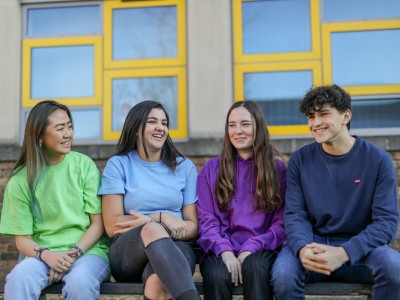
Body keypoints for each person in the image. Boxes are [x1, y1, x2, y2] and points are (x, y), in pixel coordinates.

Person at [271, 84, 400, 299]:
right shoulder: (300, 160)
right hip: (312, 245)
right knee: (283, 275)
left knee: (394, 267)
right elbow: (295, 215)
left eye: (324, 114)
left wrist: (345, 253)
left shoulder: (378, 161)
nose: (316, 123)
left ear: (346, 116)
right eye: (311, 117)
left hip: (360, 251)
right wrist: (302, 248)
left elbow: (386, 223)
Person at [0, 100, 110, 300]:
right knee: (19, 278)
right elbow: (22, 239)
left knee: (80, 283)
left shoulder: (84, 166)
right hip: (42, 254)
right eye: (60, 128)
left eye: (69, 126)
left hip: (87, 251)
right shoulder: (20, 180)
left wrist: (69, 257)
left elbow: (98, 224)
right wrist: (49, 257)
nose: (68, 134)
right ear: (40, 135)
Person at [99, 100, 200, 300]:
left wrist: (158, 223)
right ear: (136, 128)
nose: (160, 128)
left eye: (164, 123)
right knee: (153, 228)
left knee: (158, 282)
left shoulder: (185, 167)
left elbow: (193, 226)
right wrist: (159, 219)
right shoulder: (119, 165)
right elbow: (112, 225)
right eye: (153, 122)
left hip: (176, 247)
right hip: (128, 253)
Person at [196, 100, 287, 300]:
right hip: (219, 249)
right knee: (217, 274)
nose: (238, 131)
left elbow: (281, 224)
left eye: (245, 124)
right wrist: (225, 250)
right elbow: (206, 220)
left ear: (258, 127)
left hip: (262, 248)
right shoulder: (211, 170)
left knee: (256, 267)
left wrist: (251, 247)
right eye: (232, 125)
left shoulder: (277, 170)